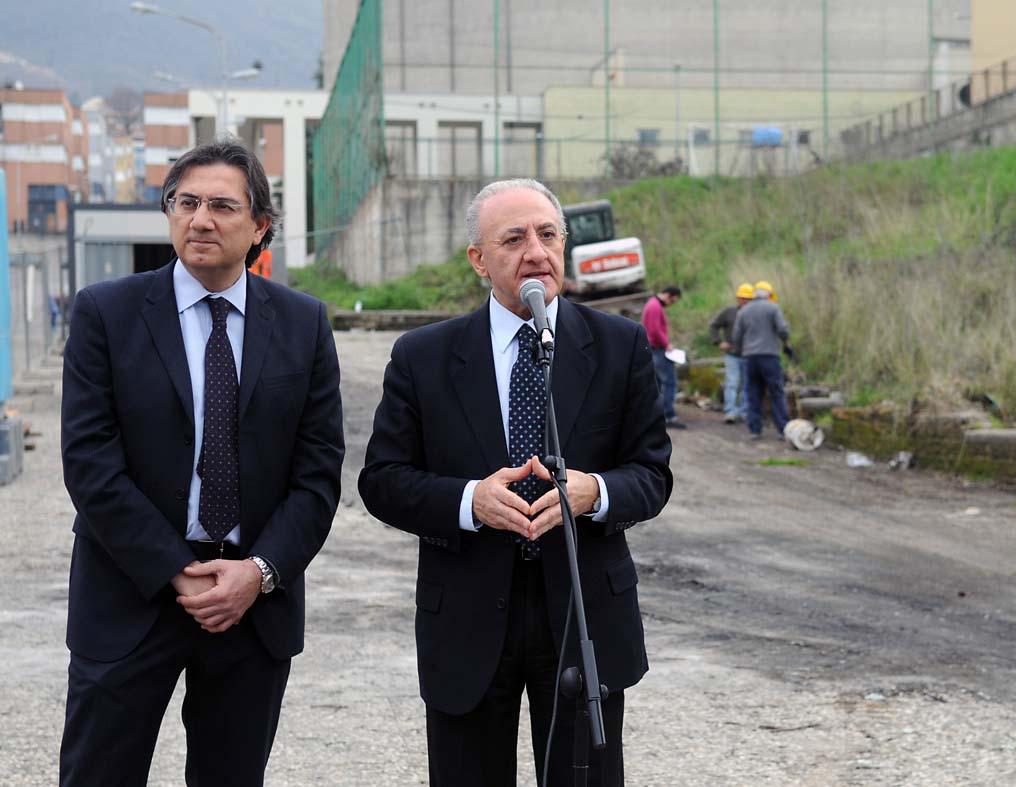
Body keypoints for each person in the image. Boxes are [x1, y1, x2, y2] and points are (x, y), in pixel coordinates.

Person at [358, 178, 673, 787]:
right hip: (469, 613)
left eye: (548, 234)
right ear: (479, 259)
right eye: (514, 238)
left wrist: (593, 493)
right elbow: (383, 481)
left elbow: (652, 475)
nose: (536, 251)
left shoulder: (618, 345)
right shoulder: (423, 356)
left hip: (582, 613)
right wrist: (468, 501)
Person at [59, 139, 345, 786]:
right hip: (130, 593)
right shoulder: (107, 312)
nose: (200, 220)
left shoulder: (304, 324)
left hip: (251, 607)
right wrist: (176, 572)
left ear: (260, 225)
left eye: (221, 205)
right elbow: (90, 464)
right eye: (185, 202)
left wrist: (260, 572)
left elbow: (318, 472)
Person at [732, 279, 792, 441]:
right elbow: (782, 329)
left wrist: (741, 349)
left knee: (753, 392)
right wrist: (786, 344)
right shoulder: (773, 308)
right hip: (769, 356)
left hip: (749, 358)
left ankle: (755, 429)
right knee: (776, 392)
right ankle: (782, 428)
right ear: (769, 295)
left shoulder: (743, 311)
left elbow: (736, 336)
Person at [641, 284, 684, 428]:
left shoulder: (652, 305)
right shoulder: (655, 307)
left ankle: (658, 416)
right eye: (672, 301)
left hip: (654, 349)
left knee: (658, 385)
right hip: (657, 350)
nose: (671, 305)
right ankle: (669, 415)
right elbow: (654, 331)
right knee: (670, 382)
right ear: (667, 295)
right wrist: (667, 344)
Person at [709, 282, 753, 423]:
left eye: (747, 299)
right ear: (738, 298)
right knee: (732, 384)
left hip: (749, 355)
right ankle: (730, 411)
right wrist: (718, 342)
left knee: (747, 385)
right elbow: (713, 325)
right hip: (732, 355)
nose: (744, 301)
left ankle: (744, 412)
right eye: (742, 298)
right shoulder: (729, 312)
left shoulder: (755, 315)